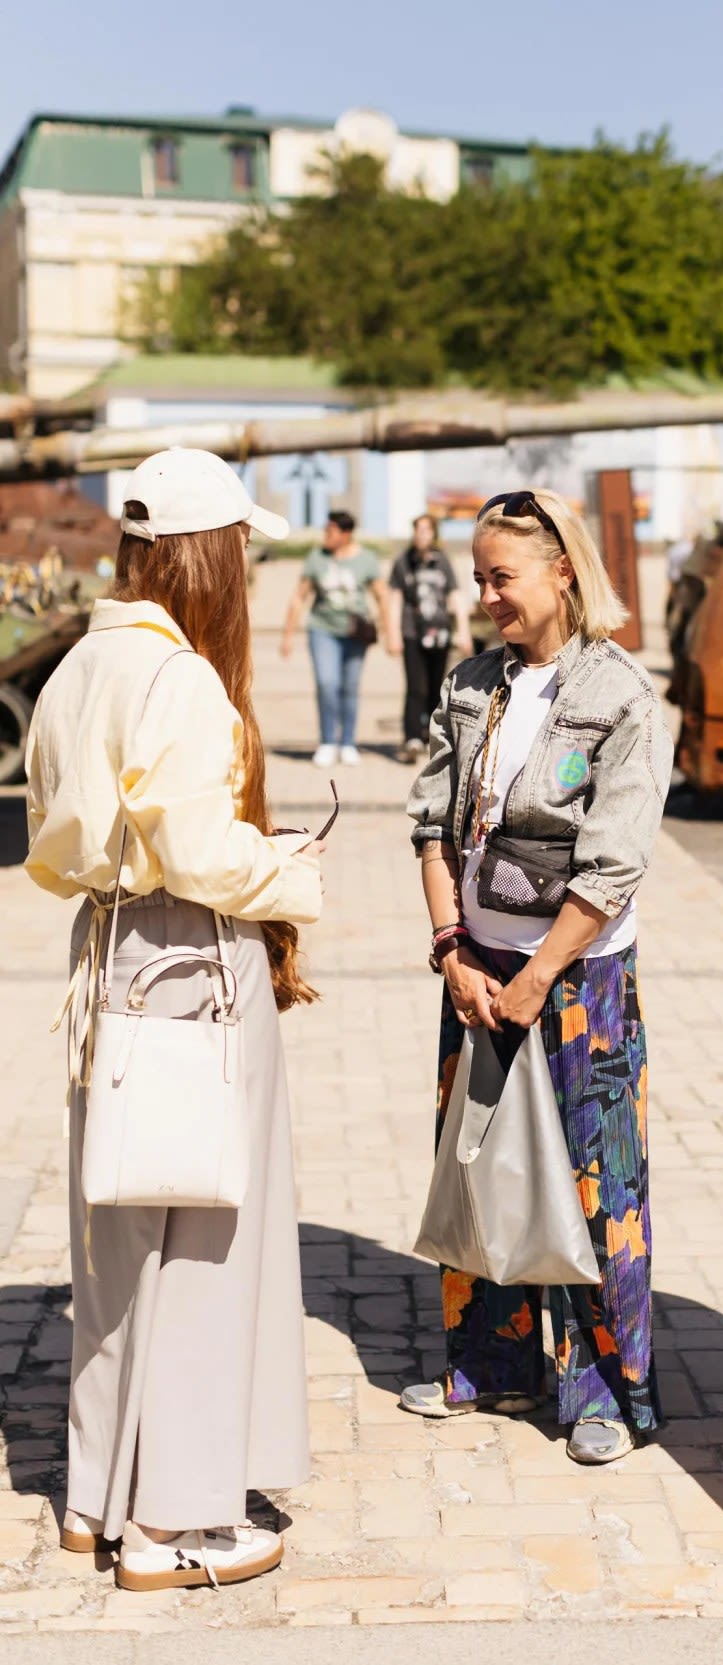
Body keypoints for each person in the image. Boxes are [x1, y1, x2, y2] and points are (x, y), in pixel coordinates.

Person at [24, 447, 325, 1593]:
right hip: (194, 960)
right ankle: (177, 1523)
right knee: (207, 1241)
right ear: (211, 551)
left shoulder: (76, 668)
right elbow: (201, 854)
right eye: (241, 547)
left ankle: (96, 1496)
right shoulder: (183, 678)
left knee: (117, 1244)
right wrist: (288, 872)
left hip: (105, 951)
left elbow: (61, 845)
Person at [403, 488, 672, 1464]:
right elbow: (429, 824)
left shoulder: (620, 697)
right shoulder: (473, 686)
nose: (484, 597)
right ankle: (495, 1364)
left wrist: (538, 975)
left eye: (500, 577)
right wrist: (453, 950)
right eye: (476, 578)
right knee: (479, 1169)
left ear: (564, 571)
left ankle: (604, 1388)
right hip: (475, 972)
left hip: (578, 983)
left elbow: (614, 863)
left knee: (598, 1184)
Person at [281, 508, 386, 767]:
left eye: (330, 531)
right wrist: (288, 635)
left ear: (346, 533)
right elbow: (299, 597)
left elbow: (382, 596)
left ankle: (348, 742)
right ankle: (328, 741)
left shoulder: (366, 560)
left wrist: (384, 629)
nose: (325, 535)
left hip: (355, 633)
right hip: (322, 629)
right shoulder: (317, 558)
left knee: (350, 687)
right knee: (327, 683)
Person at [386, 513, 473, 762]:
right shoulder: (404, 561)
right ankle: (411, 737)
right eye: (417, 530)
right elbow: (395, 599)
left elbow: (455, 596)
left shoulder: (442, 561)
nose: (421, 535)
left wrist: (463, 631)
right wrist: (393, 634)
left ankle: (430, 735)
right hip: (413, 633)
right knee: (416, 686)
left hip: (440, 634)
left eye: (426, 530)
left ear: (433, 534)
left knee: (437, 687)